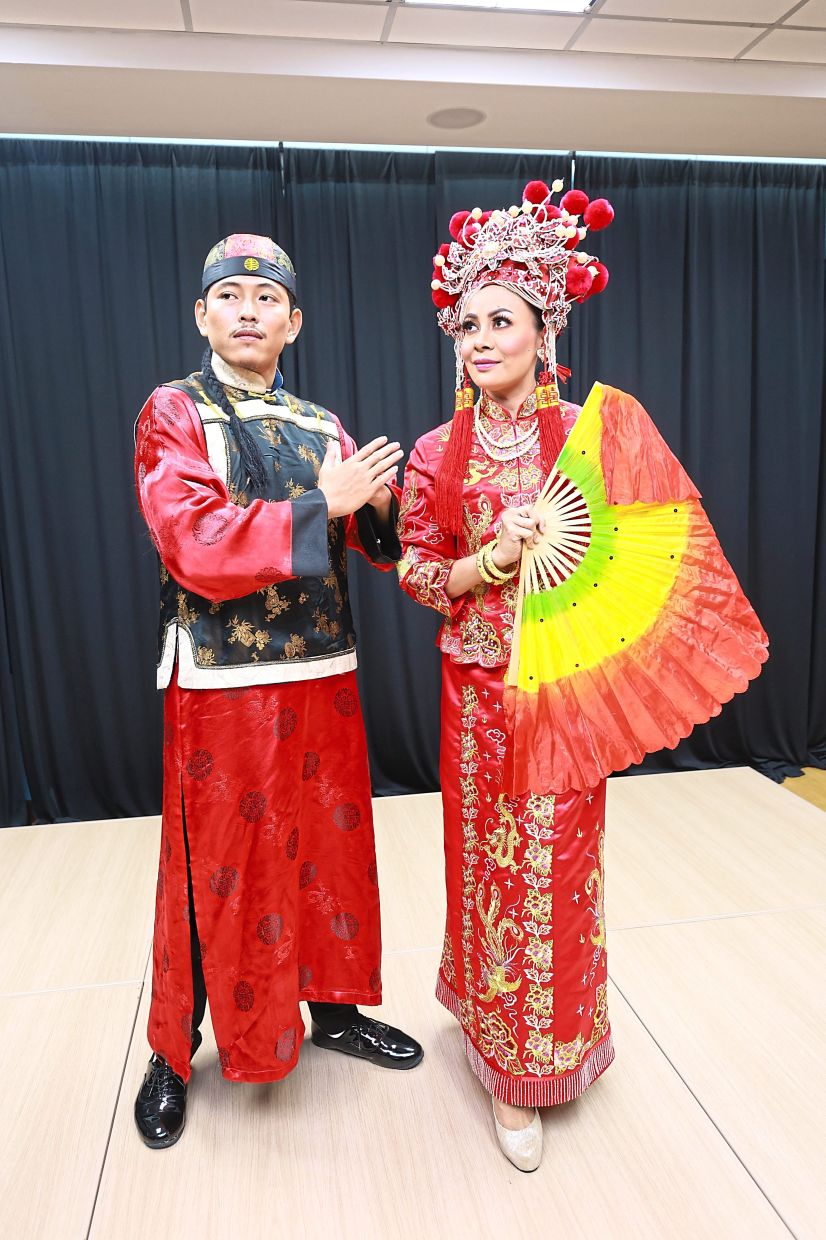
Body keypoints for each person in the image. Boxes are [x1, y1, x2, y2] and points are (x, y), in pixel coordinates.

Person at [397, 182, 767, 1171]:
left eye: (501, 320)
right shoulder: (436, 452)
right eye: (467, 322)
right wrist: (488, 563)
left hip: (567, 688)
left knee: (561, 866)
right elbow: (416, 570)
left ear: (543, 330)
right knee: (485, 865)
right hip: (478, 697)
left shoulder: (593, 438)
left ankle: (550, 1046)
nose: (480, 339)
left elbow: (644, 550)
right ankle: (496, 1048)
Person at [133, 232, 423, 1149]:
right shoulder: (175, 410)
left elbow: (374, 544)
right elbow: (191, 539)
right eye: (231, 297)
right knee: (211, 866)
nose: (249, 311)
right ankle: (173, 1051)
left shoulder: (322, 423)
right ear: (202, 315)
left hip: (323, 670)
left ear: (293, 323)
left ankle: (334, 1010)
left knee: (330, 852)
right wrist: (325, 503)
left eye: (268, 300)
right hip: (221, 680)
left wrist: (379, 506)